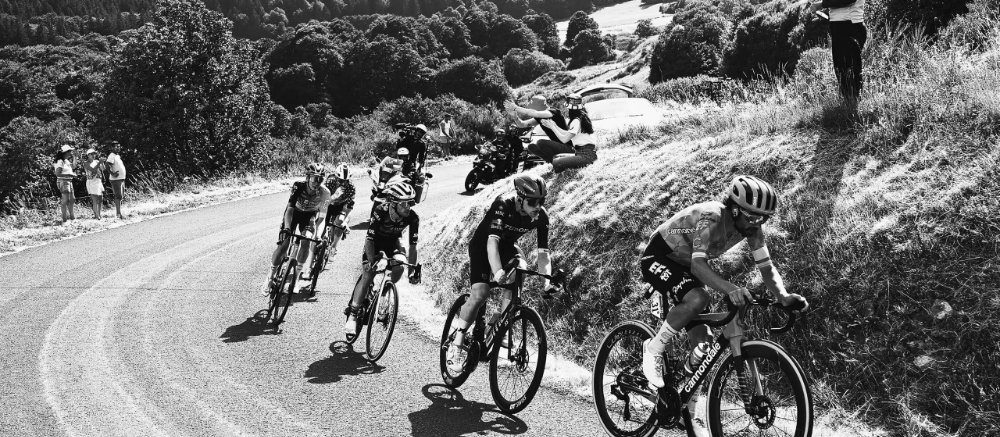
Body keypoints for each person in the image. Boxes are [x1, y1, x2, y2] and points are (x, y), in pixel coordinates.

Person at [639, 175, 809, 436]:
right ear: (735, 209)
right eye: (752, 217)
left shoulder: (752, 228)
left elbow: (766, 268)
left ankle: (689, 414)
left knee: (703, 345)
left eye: (763, 219)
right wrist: (731, 289)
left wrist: (784, 297)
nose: (757, 224)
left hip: (685, 266)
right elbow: (698, 266)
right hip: (660, 256)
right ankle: (653, 349)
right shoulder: (712, 216)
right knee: (699, 298)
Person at [445, 173, 559, 373]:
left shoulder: (541, 216)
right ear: (520, 198)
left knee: (520, 268)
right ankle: (456, 344)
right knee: (481, 293)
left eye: (541, 201)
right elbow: (492, 242)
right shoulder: (503, 205)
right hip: (483, 246)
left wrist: (546, 283)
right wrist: (497, 271)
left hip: (506, 247)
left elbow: (543, 254)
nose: (538, 206)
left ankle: (501, 325)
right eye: (533, 201)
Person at [344, 176, 420, 339]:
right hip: (375, 242)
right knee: (368, 274)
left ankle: (383, 293)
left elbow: (413, 247)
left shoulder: (413, 217)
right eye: (404, 203)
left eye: (410, 202)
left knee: (399, 267)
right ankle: (353, 314)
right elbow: (369, 240)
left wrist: (412, 272)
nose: (408, 207)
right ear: (393, 203)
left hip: (393, 242)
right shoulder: (380, 211)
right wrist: (371, 262)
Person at [271, 163, 332, 289]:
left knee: (307, 240)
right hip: (294, 213)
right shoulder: (298, 186)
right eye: (314, 178)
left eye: (320, 179)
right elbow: (290, 209)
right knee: (283, 246)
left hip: (309, 216)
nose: (317, 182)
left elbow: (322, 218)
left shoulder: (325, 192)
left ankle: (295, 279)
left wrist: (318, 235)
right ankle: (270, 276)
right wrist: (287, 228)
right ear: (308, 177)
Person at [809, 0, 867, 100]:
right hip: (843, 26)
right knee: (842, 71)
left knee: (849, 72)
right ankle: (849, 105)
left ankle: (853, 105)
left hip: (849, 26)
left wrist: (821, 4)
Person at [540, 93, 598, 172]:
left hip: (586, 156)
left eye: (566, 107)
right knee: (556, 157)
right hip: (584, 153)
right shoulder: (581, 117)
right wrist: (554, 126)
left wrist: (553, 127)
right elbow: (567, 133)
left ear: (571, 109)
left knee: (557, 162)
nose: (564, 110)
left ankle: (560, 173)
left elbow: (564, 139)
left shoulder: (576, 121)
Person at [505, 95, 571, 163]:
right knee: (531, 147)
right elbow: (522, 124)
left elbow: (535, 114)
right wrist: (515, 117)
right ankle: (553, 162)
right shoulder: (539, 117)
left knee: (541, 143)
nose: (531, 110)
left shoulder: (553, 112)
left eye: (532, 108)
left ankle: (559, 162)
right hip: (558, 146)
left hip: (568, 146)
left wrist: (516, 108)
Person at [318, 163, 355, 260]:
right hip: (328, 205)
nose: (343, 183)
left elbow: (349, 208)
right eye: (341, 180)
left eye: (346, 181)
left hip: (340, 207)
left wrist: (345, 222)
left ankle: (333, 247)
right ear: (336, 177)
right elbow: (322, 201)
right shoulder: (330, 182)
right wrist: (335, 196)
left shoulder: (351, 187)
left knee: (340, 222)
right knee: (322, 225)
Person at [102, 140, 127, 219]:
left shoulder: (117, 156)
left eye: (119, 146)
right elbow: (107, 164)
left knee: (121, 196)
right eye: (116, 147)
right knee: (118, 196)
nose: (118, 148)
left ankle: (119, 213)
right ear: (112, 148)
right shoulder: (111, 156)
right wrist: (112, 173)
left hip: (121, 178)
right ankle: (118, 214)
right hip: (116, 179)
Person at [53, 144, 77, 224]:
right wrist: (70, 175)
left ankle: (72, 217)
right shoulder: (60, 161)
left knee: (72, 199)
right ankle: (64, 219)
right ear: (65, 152)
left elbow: (73, 167)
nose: (71, 153)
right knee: (65, 200)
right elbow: (58, 174)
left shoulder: (66, 161)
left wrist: (74, 157)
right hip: (63, 181)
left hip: (69, 181)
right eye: (69, 151)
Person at [83, 148, 104, 220]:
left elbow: (103, 169)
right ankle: (97, 215)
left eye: (94, 154)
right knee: (95, 199)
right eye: (91, 154)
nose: (93, 155)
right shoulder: (86, 163)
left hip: (98, 181)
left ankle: (99, 214)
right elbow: (93, 169)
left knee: (100, 199)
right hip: (91, 182)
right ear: (88, 155)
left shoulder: (97, 161)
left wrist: (102, 162)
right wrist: (99, 163)